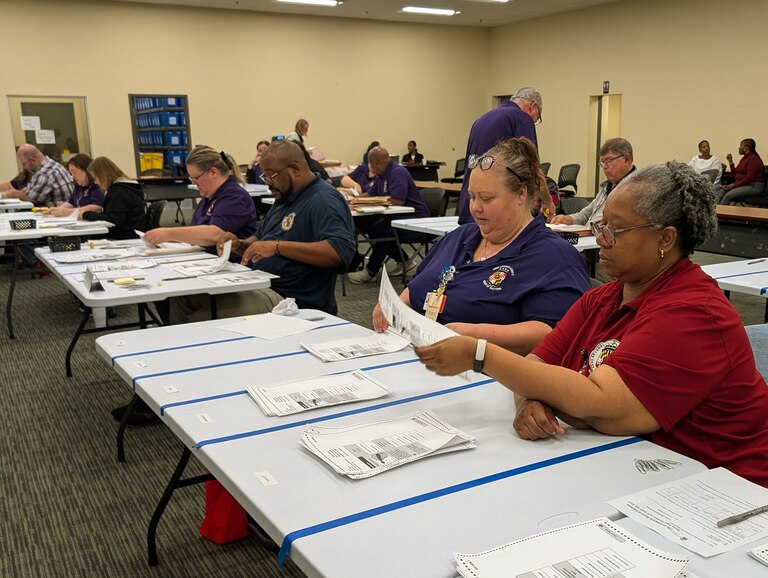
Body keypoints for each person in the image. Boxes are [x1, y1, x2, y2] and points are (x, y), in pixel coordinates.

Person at [414, 161, 768, 488]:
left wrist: (482, 355)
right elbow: (536, 364)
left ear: (665, 239)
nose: (600, 239)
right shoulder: (602, 298)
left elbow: (603, 406)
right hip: (643, 468)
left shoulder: (695, 314)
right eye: (602, 226)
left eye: (616, 231)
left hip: (729, 488)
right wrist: (529, 402)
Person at [372, 138, 590, 355]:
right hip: (414, 356)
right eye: (472, 197)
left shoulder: (555, 258)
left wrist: (470, 336)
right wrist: (395, 306)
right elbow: (418, 285)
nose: (475, 207)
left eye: (486, 198)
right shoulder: (459, 237)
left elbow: (555, 332)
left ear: (521, 194)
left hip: (485, 370)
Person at [208, 140, 355, 318]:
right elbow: (261, 242)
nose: (268, 183)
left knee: (209, 309)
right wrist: (239, 244)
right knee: (191, 299)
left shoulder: (323, 200)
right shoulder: (284, 197)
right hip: (261, 285)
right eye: (264, 176)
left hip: (292, 302)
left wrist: (278, 247)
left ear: (295, 169)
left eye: (271, 175)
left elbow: (339, 252)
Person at [144, 146, 257, 253]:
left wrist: (168, 234)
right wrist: (168, 238)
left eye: (196, 178)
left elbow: (215, 234)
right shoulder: (210, 196)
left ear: (213, 172)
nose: (194, 183)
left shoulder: (235, 196)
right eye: (191, 178)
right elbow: (196, 231)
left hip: (231, 262)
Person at [457, 87, 543, 224]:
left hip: (470, 204)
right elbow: (532, 167)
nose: (533, 122)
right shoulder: (522, 118)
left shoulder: (481, 119)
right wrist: (547, 200)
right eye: (537, 118)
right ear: (533, 106)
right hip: (495, 208)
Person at [347, 146, 430, 284]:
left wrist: (376, 200)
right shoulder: (381, 175)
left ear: (376, 162)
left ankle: (371, 271)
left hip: (417, 219)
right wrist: (354, 200)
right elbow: (370, 194)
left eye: (369, 163)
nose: (369, 167)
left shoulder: (398, 172)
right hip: (396, 217)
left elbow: (398, 200)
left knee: (383, 228)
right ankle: (404, 261)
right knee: (370, 226)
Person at [551, 138, 635, 226]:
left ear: (626, 159)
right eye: (602, 162)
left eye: (609, 161)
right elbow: (585, 215)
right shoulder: (607, 186)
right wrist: (566, 219)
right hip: (588, 233)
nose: (604, 167)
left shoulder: (636, 189)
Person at [82, 157, 145, 240]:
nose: (95, 182)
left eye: (95, 178)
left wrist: (86, 215)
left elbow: (113, 221)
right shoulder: (122, 189)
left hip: (125, 237)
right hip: (126, 234)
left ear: (103, 175)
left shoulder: (119, 193)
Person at [3, 144, 74, 207]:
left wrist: (13, 194)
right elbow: (30, 192)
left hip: (58, 212)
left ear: (32, 160)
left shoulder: (45, 172)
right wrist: (21, 193)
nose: (24, 167)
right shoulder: (51, 164)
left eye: (24, 164)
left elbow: (32, 198)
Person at [719, 138, 764, 205]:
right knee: (721, 193)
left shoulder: (753, 158)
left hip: (754, 186)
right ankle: (712, 211)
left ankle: (721, 212)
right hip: (744, 184)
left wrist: (733, 186)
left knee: (727, 196)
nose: (739, 148)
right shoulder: (744, 158)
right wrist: (731, 162)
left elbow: (749, 178)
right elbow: (735, 175)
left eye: (741, 146)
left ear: (746, 148)